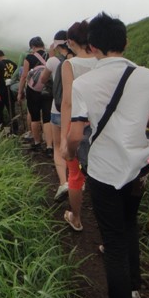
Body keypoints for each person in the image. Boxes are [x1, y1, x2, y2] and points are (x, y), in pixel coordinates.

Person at [66, 12, 149, 298]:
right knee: (129, 225)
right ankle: (133, 289)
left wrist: (70, 153)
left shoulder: (85, 83)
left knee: (113, 241)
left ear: (92, 46)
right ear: (125, 41)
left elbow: (76, 134)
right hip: (140, 168)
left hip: (103, 170)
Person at [59, 21, 98, 231]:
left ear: (72, 41)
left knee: (75, 175)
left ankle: (76, 217)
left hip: (78, 126)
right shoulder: (102, 60)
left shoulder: (70, 65)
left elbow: (67, 102)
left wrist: (65, 138)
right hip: (102, 126)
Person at [38, 31, 72, 200]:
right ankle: (78, 178)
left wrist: (51, 54)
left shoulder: (53, 61)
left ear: (57, 45)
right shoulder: (85, 60)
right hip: (80, 112)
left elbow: (43, 80)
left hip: (58, 109)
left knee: (59, 147)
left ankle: (64, 182)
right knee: (77, 147)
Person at [18, 37, 53, 153]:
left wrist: (20, 92)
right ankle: (49, 146)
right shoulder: (50, 56)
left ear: (32, 46)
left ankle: (37, 143)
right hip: (48, 89)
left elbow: (24, 77)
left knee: (35, 117)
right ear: (42, 45)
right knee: (47, 118)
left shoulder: (29, 58)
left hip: (33, 90)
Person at [0, 49, 18, 129]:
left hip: (0, 92)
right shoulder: (14, 64)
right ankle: (15, 129)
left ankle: (1, 128)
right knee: (11, 111)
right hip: (11, 90)